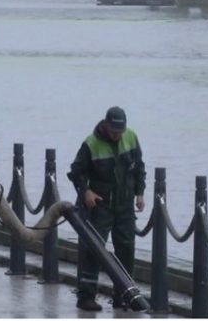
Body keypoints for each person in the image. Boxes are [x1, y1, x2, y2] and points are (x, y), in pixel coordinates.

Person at [68, 106, 146, 312]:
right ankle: (86, 296)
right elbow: (76, 172)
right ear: (105, 124)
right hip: (100, 205)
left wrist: (140, 193)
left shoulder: (131, 137)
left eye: (119, 132)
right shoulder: (91, 144)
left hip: (125, 206)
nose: (116, 135)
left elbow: (139, 167)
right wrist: (86, 192)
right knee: (94, 250)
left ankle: (124, 295)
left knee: (126, 249)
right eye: (113, 131)